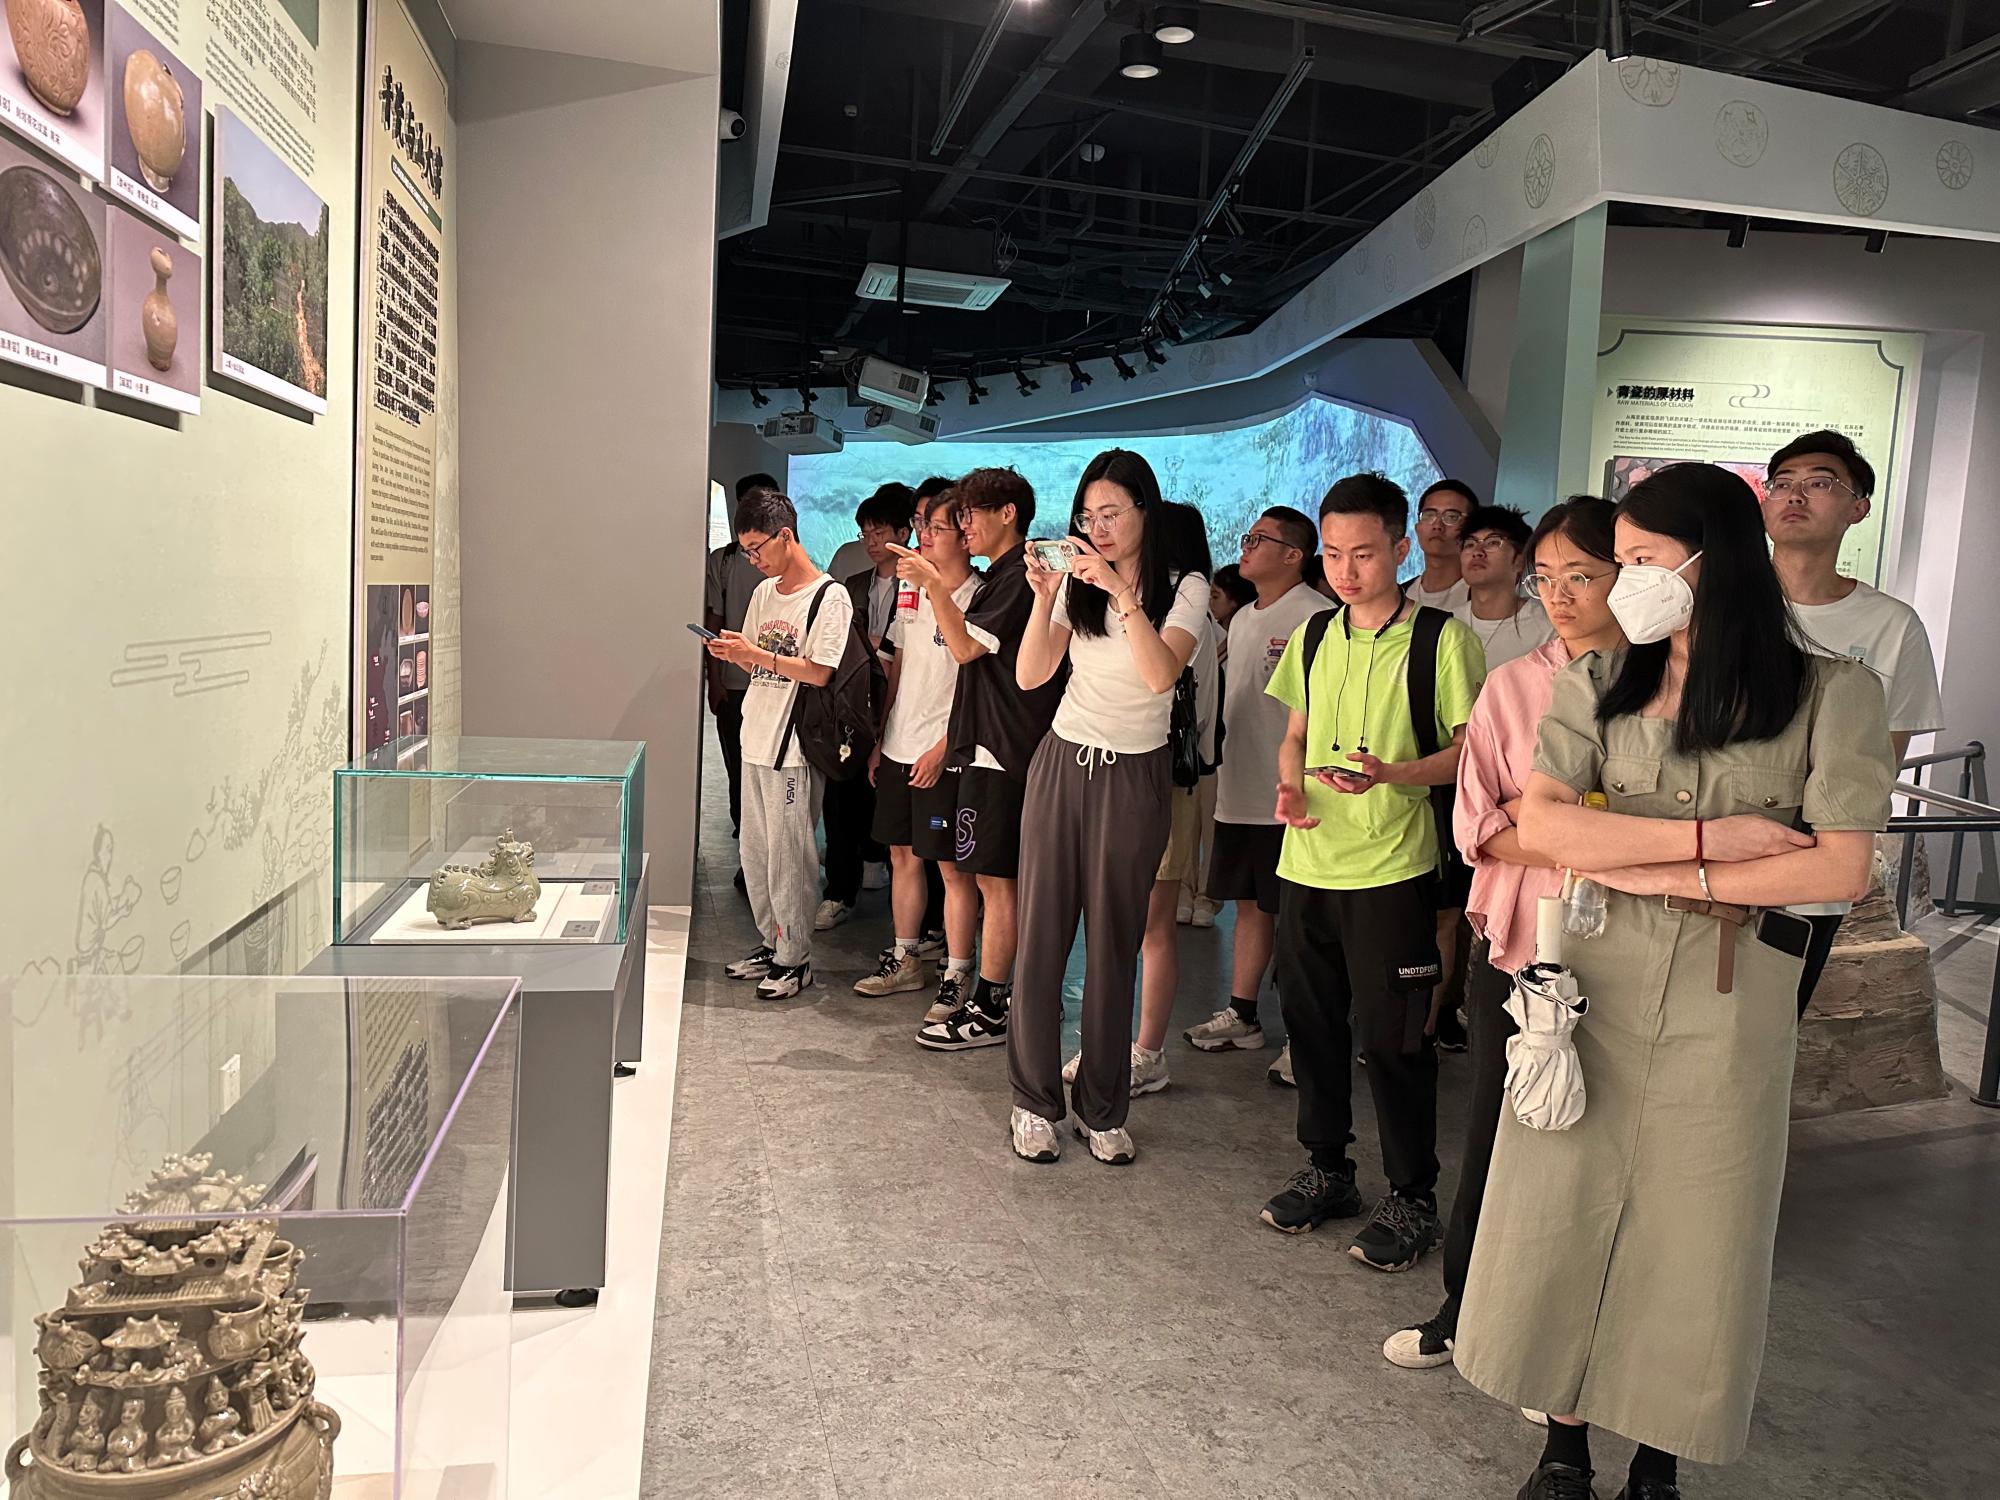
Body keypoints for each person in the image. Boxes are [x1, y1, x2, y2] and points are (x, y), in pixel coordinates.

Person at [1455, 463, 1893, 1500]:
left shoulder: (1832, 691)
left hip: (1732, 995)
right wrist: (1709, 843)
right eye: (1623, 561)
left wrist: (1651, 868)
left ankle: (1659, 1455)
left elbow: (1837, 868)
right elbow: (1541, 825)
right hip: (1592, 983)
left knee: (1701, 1224)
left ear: (1713, 559)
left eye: (1644, 560)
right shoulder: (1598, 682)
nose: (1626, 583)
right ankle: (1562, 1445)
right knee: (1562, 1202)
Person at [1381, 495, 1623, 1376]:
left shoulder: (1666, 684)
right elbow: (1476, 824)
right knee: (1496, 1121)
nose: (1560, 596)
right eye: (1546, 578)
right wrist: (1584, 830)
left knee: (1601, 1141)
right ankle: (1465, 1306)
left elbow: (1658, 828)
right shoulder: (1515, 683)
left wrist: (1544, 818)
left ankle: (1569, 1341)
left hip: (1630, 942)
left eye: (1582, 576)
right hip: (1520, 938)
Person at [1260, 473, 1485, 1271]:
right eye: (1332, 553)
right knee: (1312, 1029)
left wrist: (1394, 775)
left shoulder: (1442, 640)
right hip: (1307, 862)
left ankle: (1412, 1196)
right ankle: (1328, 1170)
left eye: (1364, 553)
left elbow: (1469, 752)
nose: (1347, 569)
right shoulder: (1316, 634)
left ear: (1401, 547)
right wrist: (1290, 784)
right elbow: (1296, 734)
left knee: (1395, 1044)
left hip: (1392, 868)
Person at [1006, 450, 1208, 1164]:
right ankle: (1033, 1102)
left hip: (1135, 776)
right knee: (1042, 937)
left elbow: (1160, 675)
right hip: (1064, 763)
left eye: (1112, 513)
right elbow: (1031, 674)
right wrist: (1044, 596)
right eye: (1088, 516)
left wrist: (1122, 591)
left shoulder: (1185, 586)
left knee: (1116, 944)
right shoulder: (1076, 584)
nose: (1098, 527)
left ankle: (1102, 1107)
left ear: (1145, 511)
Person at [1762, 429, 1943, 1014]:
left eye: (1820, 483)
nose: (1795, 495)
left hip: (1809, 871)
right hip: (1710, 847)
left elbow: (1879, 761)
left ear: (1858, 508)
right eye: (1782, 483)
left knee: (1773, 1025)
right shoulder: (1717, 606)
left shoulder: (1891, 625)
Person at [1062, 501, 1215, 1099]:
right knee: (1117, 921)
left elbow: (1168, 687)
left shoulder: (1183, 609)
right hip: (1116, 773)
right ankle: (1111, 1044)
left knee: (1150, 923)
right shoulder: (1119, 604)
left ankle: (1146, 1051)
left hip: (1161, 778)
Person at [910, 469, 1065, 1050]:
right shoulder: (1005, 575)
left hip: (1006, 748)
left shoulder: (1021, 576)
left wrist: (933, 586)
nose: (964, 525)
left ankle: (993, 1006)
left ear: (1008, 514)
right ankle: (1004, 995)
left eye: (971, 513)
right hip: (988, 745)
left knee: (998, 882)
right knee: (987, 877)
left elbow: (964, 647)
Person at [1184, 505, 1328, 1072]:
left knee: (1298, 918)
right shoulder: (1242, 618)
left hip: (1289, 795)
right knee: (1249, 906)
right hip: (1238, 789)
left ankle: (1305, 1037)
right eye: (1246, 537)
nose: (1245, 546)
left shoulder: (1316, 616)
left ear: (1293, 555)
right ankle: (1243, 1014)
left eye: (1259, 539)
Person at [707, 490, 855, 1000]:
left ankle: (795, 959)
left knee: (790, 857)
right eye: (745, 550)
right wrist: (734, 652)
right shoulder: (764, 592)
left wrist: (756, 655)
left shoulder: (829, 597)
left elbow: (820, 671)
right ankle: (772, 944)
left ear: (785, 535)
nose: (752, 559)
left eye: (756, 548)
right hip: (756, 734)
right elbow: (753, 659)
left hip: (793, 746)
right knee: (755, 854)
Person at [856, 488, 983, 1006]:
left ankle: (957, 973)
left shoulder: (979, 595)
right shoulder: (909, 589)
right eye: (921, 524)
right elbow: (898, 665)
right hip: (898, 745)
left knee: (952, 867)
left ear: (965, 536)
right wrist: (881, 738)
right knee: (901, 854)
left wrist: (945, 747)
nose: (923, 535)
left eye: (936, 527)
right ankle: (905, 956)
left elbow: (979, 687)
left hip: (944, 752)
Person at [818, 483, 916, 931]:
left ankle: (909, 909)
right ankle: (839, 892)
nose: (872, 542)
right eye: (866, 534)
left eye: (879, 533)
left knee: (893, 808)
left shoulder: (920, 587)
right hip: (855, 708)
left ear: (904, 532)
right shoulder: (853, 585)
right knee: (840, 801)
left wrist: (875, 643)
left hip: (902, 709)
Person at [704, 472, 780, 848]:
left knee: (775, 771)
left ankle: (767, 842)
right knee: (738, 766)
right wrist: (714, 680)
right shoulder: (725, 560)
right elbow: (714, 620)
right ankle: (745, 839)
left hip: (779, 686)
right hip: (735, 683)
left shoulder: (790, 563)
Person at [1454, 503, 1557, 671]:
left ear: (1519, 561)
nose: (1477, 551)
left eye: (1493, 543)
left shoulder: (1548, 627)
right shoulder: (1446, 623)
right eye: (1470, 544)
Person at [1406, 479, 1478, 611]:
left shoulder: (1482, 599)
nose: (1437, 525)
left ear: (1472, 530)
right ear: (1417, 527)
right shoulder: (1400, 596)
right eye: (1429, 515)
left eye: (1451, 517)